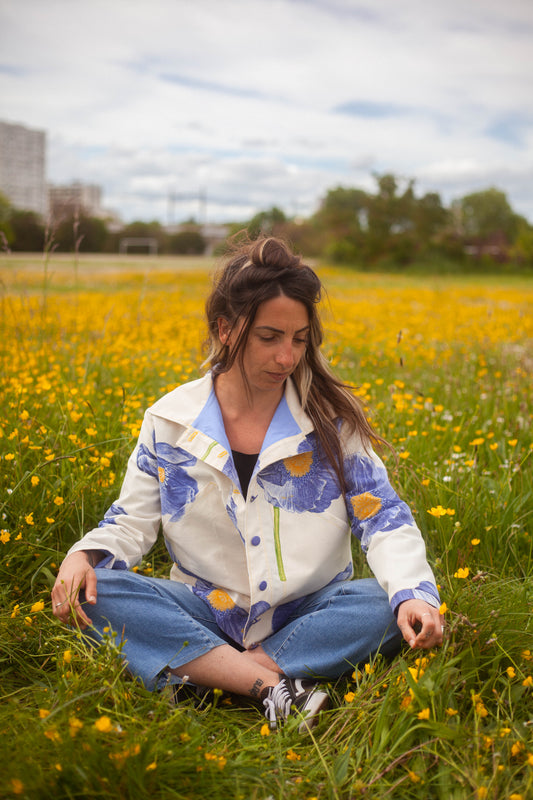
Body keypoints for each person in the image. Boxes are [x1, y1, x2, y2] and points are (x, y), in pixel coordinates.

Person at [52, 235, 443, 732]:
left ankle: (211, 675)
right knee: (97, 591)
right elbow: (131, 520)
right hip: (204, 609)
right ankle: (268, 687)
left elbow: (382, 515)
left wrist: (412, 594)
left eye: (299, 339)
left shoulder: (329, 422)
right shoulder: (170, 421)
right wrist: (83, 556)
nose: (287, 357)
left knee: (387, 604)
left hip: (310, 612)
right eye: (269, 337)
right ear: (226, 329)